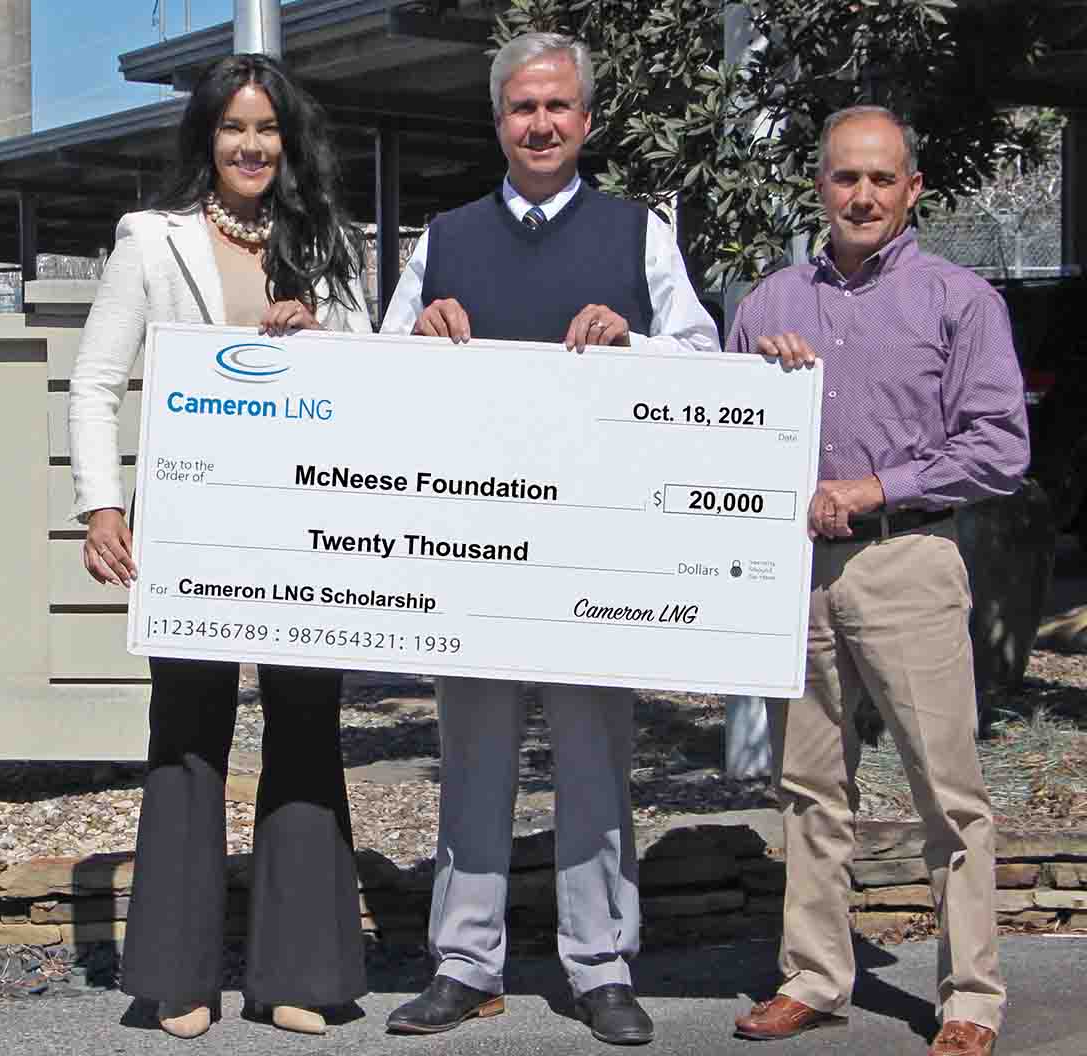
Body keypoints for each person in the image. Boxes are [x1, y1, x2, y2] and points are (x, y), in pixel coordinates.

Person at [377, 31, 719, 1047]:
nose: (540, 124)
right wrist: (417, 338)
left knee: (593, 763)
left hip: (592, 556)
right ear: (498, 121)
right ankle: (464, 962)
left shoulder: (639, 235)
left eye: (558, 108)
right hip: (472, 556)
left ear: (585, 119)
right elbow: (379, 385)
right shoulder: (440, 241)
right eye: (523, 108)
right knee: (472, 761)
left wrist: (638, 344)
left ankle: (601, 965)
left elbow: (705, 362)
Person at [66, 53, 374, 1039]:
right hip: (195, 531)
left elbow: (376, 377)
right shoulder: (151, 244)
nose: (251, 145)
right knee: (188, 736)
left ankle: (299, 973)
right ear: (207, 136)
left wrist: (314, 332)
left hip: (306, 530)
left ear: (290, 142)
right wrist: (101, 506)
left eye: (268, 129)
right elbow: (94, 381)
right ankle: (179, 977)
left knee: (305, 733)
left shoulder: (332, 244)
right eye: (234, 127)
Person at [730, 104, 1025, 1056]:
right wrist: (759, 391)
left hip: (909, 560)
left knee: (949, 795)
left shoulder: (960, 301)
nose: (861, 195)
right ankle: (814, 976)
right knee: (809, 787)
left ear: (912, 191)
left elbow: (999, 448)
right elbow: (720, 439)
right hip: (798, 573)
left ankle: (970, 997)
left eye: (880, 179)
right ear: (818, 185)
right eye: (843, 177)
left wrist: (873, 487)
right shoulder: (766, 305)